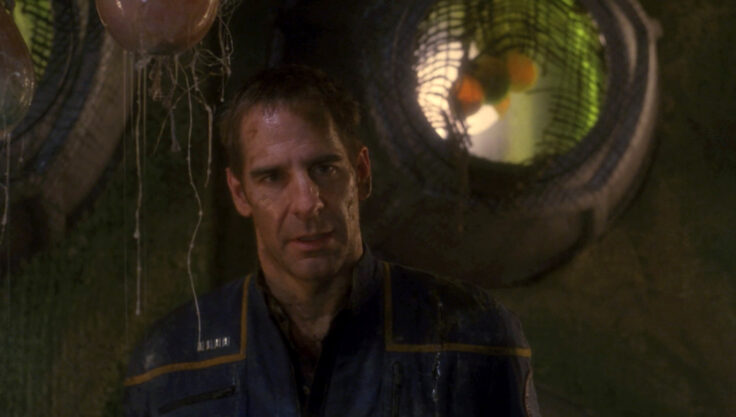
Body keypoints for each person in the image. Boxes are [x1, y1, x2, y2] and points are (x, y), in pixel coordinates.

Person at [123, 66, 541, 417]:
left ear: (361, 173)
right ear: (239, 193)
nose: (307, 203)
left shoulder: (472, 336)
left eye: (324, 168)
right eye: (272, 178)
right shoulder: (169, 362)